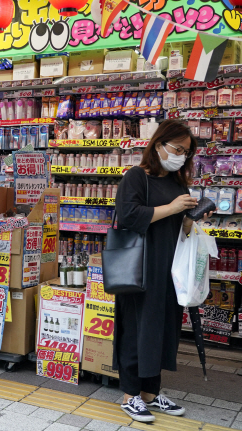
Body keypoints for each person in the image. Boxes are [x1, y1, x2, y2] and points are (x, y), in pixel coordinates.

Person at [114, 120, 203, 423]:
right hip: (139, 267)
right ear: (159, 145)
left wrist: (191, 217)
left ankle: (151, 393)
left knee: (163, 329)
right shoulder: (137, 177)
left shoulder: (177, 184)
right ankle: (130, 394)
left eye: (186, 152)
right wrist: (173, 208)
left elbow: (178, 223)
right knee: (137, 328)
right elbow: (128, 216)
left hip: (170, 268)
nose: (181, 155)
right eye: (178, 149)